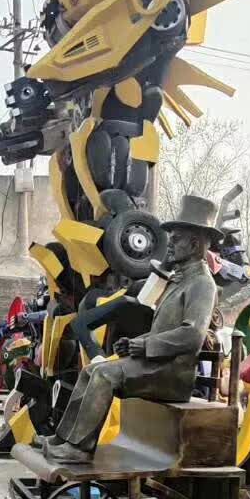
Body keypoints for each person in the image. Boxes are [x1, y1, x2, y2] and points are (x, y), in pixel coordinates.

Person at [44, 195, 221, 463]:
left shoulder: (202, 285)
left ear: (195, 243)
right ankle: (64, 437)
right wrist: (136, 342)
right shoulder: (178, 280)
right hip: (155, 363)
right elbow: (164, 329)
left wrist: (145, 346)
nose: (169, 244)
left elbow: (192, 335)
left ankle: (79, 449)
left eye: (175, 238)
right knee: (91, 370)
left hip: (172, 375)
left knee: (105, 375)